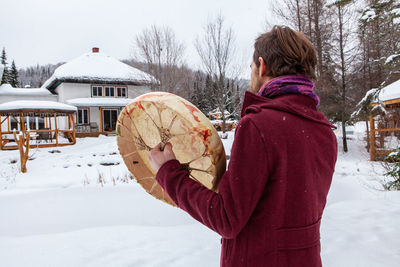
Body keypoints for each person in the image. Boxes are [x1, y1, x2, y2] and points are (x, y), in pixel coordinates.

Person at [148, 25, 337, 267]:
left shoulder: (259, 126)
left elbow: (226, 218)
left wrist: (169, 172)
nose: (251, 75)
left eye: (251, 68)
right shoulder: (323, 131)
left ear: (262, 65)